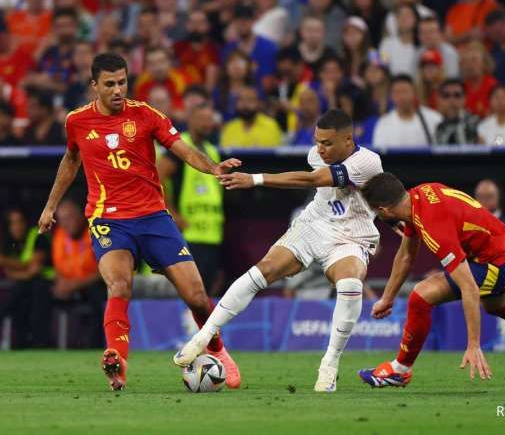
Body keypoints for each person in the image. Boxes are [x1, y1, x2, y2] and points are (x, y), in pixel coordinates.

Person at [37, 52, 241, 390]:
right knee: (119, 285)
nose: (118, 90)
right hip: (108, 219)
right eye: (110, 84)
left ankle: (219, 351)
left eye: (122, 82)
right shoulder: (77, 121)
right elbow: (71, 160)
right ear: (94, 86)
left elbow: (183, 149)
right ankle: (117, 363)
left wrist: (213, 168)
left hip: (153, 218)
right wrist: (50, 206)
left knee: (196, 295)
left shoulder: (146, 115)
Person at [175, 109, 383, 393]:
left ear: (348, 140)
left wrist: (254, 179)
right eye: (317, 141)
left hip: (351, 234)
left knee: (349, 283)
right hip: (315, 223)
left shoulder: (368, 161)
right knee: (262, 271)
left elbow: (312, 181)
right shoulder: (316, 155)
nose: (319, 149)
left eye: (327, 143)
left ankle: (330, 365)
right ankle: (203, 337)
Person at [356, 173, 505, 387]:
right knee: (498, 305)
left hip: (495, 262)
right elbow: (406, 256)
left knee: (421, 296)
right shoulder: (419, 196)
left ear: (383, 211)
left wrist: (473, 344)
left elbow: (469, 288)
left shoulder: (434, 227)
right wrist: (387, 298)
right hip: (498, 246)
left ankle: (400, 370)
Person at [159, 103, 225, 296]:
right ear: (191, 120)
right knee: (188, 294)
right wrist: (170, 212)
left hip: (212, 235)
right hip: (187, 235)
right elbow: (158, 175)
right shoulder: (181, 146)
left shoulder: (212, 151)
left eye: (210, 119)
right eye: (202, 119)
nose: (207, 124)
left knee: (207, 293)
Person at [51, 198, 106, 348]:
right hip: (69, 283)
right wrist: (61, 282)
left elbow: (106, 270)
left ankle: (95, 346)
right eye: (62, 220)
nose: (66, 223)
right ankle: (41, 343)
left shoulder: (96, 232)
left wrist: (75, 284)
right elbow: (58, 264)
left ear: (81, 215)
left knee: (98, 296)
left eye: (70, 217)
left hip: (93, 283)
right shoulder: (60, 235)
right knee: (38, 291)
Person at [0, 206, 53, 348]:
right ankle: (20, 344)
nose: (17, 227)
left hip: (46, 283)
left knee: (32, 290)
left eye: (20, 222)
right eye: (13, 223)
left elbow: (34, 268)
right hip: (24, 285)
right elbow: (10, 273)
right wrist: (23, 272)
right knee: (20, 297)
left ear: (26, 222)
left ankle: (39, 343)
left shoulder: (38, 236)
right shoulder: (9, 242)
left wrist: (5, 262)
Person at [372, 74, 442, 148]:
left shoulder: (434, 119)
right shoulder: (383, 123)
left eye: (405, 91)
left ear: (415, 93)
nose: (402, 97)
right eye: (397, 92)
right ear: (391, 96)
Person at [434, 78, 479, 145]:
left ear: (465, 98)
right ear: (440, 100)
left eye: (457, 95)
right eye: (446, 95)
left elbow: (498, 140)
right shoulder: (438, 128)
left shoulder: (476, 123)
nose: (452, 100)